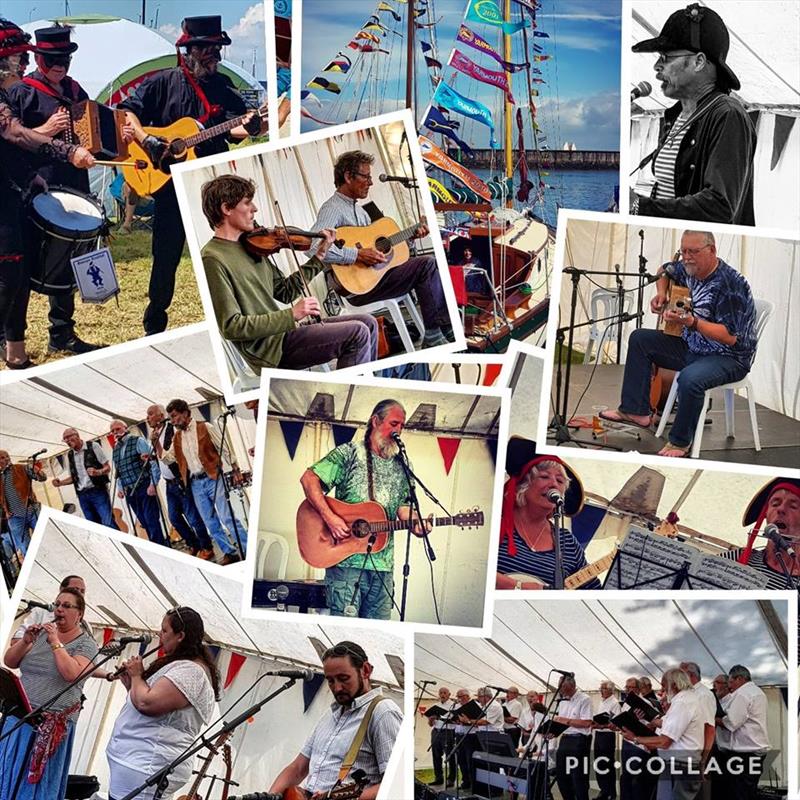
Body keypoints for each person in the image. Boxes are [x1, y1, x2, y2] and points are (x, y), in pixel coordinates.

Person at [117, 15, 268, 335]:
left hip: (212, 185)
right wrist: (148, 140)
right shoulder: (162, 82)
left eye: (217, 49)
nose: (215, 55)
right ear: (191, 50)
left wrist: (254, 125)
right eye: (209, 50)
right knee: (166, 255)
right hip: (170, 184)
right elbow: (127, 111)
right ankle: (154, 324)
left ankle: (240, 317)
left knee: (225, 250)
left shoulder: (223, 87)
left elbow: (237, 127)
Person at [600, 230, 756, 457]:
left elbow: (729, 337)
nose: (687, 257)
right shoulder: (689, 267)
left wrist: (691, 322)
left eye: (693, 251)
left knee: (690, 379)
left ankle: (680, 442)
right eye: (684, 251)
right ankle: (636, 411)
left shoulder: (732, 284)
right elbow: (665, 270)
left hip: (729, 357)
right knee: (640, 339)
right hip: (693, 346)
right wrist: (662, 293)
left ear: (712, 250)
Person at [199, 173, 378, 371]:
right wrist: (291, 314)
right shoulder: (213, 258)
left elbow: (285, 292)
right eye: (247, 203)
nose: (255, 209)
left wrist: (319, 256)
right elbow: (232, 327)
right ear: (226, 208)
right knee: (357, 332)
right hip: (270, 351)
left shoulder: (251, 245)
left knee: (369, 322)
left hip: (286, 333)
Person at [0, 18, 94, 369]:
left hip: (45, 188)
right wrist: (58, 142)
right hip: (20, 195)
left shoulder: (75, 90)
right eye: (21, 59)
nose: (23, 66)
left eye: (65, 60)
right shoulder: (19, 92)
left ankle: (35, 343)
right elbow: (16, 137)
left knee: (44, 264)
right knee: (12, 273)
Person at [299, 398, 430, 619]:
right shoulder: (349, 453)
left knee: (378, 630)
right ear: (375, 421)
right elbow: (309, 479)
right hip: (345, 562)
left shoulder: (402, 465)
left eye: (402, 426)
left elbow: (404, 507)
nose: (398, 431)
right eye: (394, 423)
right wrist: (330, 518)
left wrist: (416, 523)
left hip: (383, 567)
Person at [312, 150, 453, 348]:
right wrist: (356, 254)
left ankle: (440, 330)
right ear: (348, 177)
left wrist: (410, 238)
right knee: (426, 265)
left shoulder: (361, 212)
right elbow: (312, 248)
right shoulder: (332, 209)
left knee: (430, 264)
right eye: (366, 176)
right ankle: (437, 333)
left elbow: (382, 258)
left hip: (375, 279)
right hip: (358, 289)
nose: (371, 182)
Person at [630, 3, 755, 225]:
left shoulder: (728, 115)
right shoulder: (674, 116)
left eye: (666, 57)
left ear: (698, 62)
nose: (657, 66)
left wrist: (640, 206)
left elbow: (719, 206)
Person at [105, 606, 219, 800]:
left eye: (165, 630)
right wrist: (131, 683)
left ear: (180, 635)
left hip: (146, 767)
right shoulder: (179, 664)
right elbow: (145, 701)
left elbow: (147, 704)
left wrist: (137, 675)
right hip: (134, 765)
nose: (160, 634)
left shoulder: (191, 671)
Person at [268, 641, 402, 800]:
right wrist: (269, 796)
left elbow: (396, 784)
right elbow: (298, 768)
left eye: (343, 678)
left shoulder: (383, 712)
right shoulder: (330, 715)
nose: (337, 688)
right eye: (330, 681)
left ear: (365, 670)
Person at [0, 586, 99, 799]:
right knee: (6, 773)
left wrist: (56, 642)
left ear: (79, 614)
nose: (59, 610)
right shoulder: (40, 633)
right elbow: (9, 661)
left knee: (33, 788)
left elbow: (71, 673)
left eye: (66, 606)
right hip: (19, 717)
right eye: (57, 605)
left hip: (49, 726)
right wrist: (26, 641)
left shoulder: (87, 644)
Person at [496, 437, 600, 589]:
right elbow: (470, 567)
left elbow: (592, 590)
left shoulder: (568, 543)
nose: (553, 484)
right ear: (524, 486)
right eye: (544, 477)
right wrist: (518, 586)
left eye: (560, 481)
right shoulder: (496, 523)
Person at [163, 398, 247, 564]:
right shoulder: (177, 437)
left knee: (227, 516)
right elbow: (168, 459)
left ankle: (247, 548)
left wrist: (236, 468)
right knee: (210, 521)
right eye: (171, 418)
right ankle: (229, 552)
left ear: (185, 413)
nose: (173, 421)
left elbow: (224, 448)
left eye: (175, 416)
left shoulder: (205, 427)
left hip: (213, 476)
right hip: (195, 483)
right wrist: (155, 444)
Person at [620, 668, 705, 800]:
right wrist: (648, 718)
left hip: (681, 766)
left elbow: (665, 742)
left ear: (675, 685)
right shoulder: (685, 699)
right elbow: (665, 723)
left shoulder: (683, 702)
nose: (661, 692)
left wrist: (635, 738)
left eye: (664, 687)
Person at [146, 404, 214, 560]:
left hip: (180, 479)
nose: (147, 418)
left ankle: (207, 547)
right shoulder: (155, 434)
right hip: (169, 482)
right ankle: (194, 544)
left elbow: (176, 454)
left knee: (193, 516)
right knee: (174, 517)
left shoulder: (173, 429)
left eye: (150, 414)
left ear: (161, 415)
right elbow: (162, 456)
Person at [723, 477, 800, 589]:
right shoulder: (736, 558)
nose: (781, 509)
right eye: (775, 504)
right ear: (765, 513)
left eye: (793, 506)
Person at [110, 419, 166, 546]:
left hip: (144, 486)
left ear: (125, 428)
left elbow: (152, 462)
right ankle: (157, 546)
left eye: (117, 429)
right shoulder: (115, 449)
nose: (115, 432)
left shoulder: (138, 441)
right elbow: (119, 471)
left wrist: (153, 483)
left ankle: (162, 548)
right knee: (143, 522)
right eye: (113, 431)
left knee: (151, 520)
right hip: (130, 491)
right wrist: (120, 488)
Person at [716, 665, 769, 800]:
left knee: (739, 793)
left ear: (739, 679)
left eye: (731, 682)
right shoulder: (757, 692)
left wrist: (714, 719)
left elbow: (732, 723)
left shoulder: (743, 693)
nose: (730, 686)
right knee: (748, 791)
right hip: (754, 752)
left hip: (745, 754)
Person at [52, 427, 116, 528]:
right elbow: (74, 478)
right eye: (65, 439)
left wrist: (98, 472)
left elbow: (107, 468)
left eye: (68, 437)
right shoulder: (70, 454)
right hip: (82, 495)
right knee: (93, 526)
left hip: (98, 491)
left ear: (77, 435)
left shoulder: (93, 446)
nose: (67, 441)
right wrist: (60, 483)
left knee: (108, 522)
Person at [679, 661, 716, 799]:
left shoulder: (703, 695)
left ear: (690, 675)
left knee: (700, 792)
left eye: (680, 674)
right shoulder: (689, 693)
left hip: (699, 751)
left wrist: (704, 759)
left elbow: (709, 729)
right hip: (688, 751)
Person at [0, 448, 45, 560]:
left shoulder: (21, 468)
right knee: (25, 546)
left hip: (31, 510)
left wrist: (38, 471)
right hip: (14, 517)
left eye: (7, 456)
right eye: (2, 457)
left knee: (45, 535)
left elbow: (42, 478)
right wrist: (5, 511)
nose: (6, 458)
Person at [552, 675, 593, 800]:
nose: (562, 691)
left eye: (564, 688)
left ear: (573, 686)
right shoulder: (562, 700)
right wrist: (553, 731)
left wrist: (565, 720)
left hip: (579, 740)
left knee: (578, 778)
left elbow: (587, 723)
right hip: (565, 739)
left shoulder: (585, 699)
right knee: (562, 776)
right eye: (560, 688)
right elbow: (560, 723)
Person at [593, 680, 622, 800]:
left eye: (604, 688)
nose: (601, 690)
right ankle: (603, 790)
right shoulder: (602, 702)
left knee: (607, 764)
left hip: (607, 735)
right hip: (599, 735)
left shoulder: (614, 703)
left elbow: (615, 722)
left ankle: (610, 792)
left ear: (611, 690)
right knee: (599, 763)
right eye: (601, 687)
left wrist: (602, 725)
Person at [427, 686, 457, 788]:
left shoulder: (453, 705)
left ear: (449, 694)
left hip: (448, 732)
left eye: (445, 693)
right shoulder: (435, 705)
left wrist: (439, 717)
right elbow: (431, 724)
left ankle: (451, 778)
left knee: (450, 756)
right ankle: (438, 778)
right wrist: (431, 719)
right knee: (436, 755)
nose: (443, 695)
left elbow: (454, 720)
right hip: (436, 731)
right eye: (441, 693)